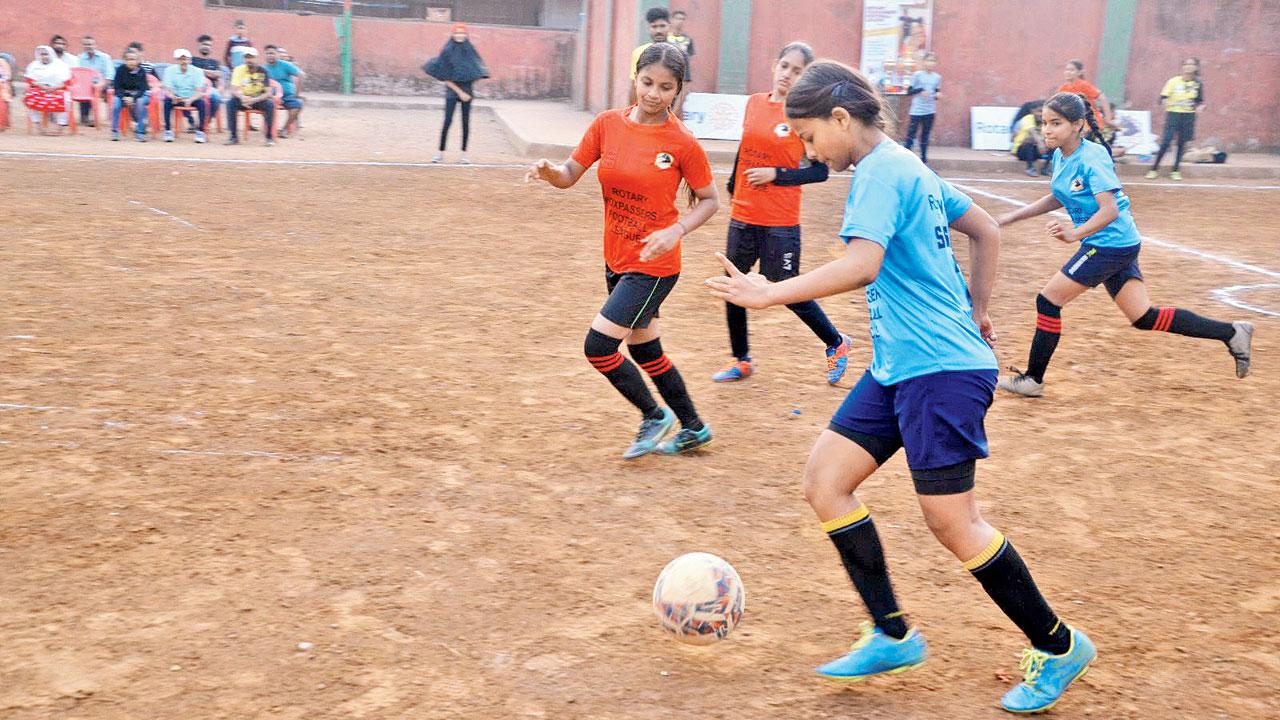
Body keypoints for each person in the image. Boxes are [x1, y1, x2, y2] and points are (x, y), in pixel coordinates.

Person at [706, 60, 1095, 716]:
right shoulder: (901, 167)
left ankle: (1058, 646)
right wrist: (976, 305)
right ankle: (891, 633)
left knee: (952, 520)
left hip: (939, 370)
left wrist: (770, 293)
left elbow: (864, 264)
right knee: (826, 481)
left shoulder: (882, 172)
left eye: (806, 137)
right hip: (900, 365)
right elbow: (986, 229)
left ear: (839, 119)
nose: (805, 151)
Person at [525, 43, 719, 458]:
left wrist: (677, 231)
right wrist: (549, 172)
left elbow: (709, 200)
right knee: (646, 349)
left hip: (654, 265)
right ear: (635, 78)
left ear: (678, 90)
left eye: (666, 87)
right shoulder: (606, 124)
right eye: (647, 82)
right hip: (616, 257)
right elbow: (569, 175)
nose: (654, 93)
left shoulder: (682, 142)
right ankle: (695, 428)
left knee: (598, 347)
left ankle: (654, 415)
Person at [995, 92, 1252, 398]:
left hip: (1109, 245)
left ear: (1078, 125)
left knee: (1048, 301)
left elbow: (1110, 210)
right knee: (1144, 317)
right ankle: (1232, 332)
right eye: (1044, 123)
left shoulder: (1091, 157)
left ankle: (1033, 379)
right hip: (1117, 243)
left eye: (1056, 123)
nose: (1047, 129)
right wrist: (1012, 217)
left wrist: (1075, 235)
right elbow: (1061, 195)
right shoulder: (1062, 154)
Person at [714, 41, 852, 385]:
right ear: (774, 65)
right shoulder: (754, 103)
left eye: (797, 71)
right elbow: (744, 149)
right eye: (785, 66)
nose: (788, 75)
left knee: (787, 290)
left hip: (780, 223)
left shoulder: (805, 118)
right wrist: (734, 184)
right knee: (735, 285)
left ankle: (836, 343)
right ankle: (741, 360)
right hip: (744, 214)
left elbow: (820, 172)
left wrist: (778, 175)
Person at [424, 24, 488, 164]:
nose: (460, 35)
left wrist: (468, 87)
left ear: (466, 35)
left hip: (467, 90)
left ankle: (464, 155)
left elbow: (477, 70)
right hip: (453, 90)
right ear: (453, 34)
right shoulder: (447, 51)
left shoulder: (470, 50)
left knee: (465, 123)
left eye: (462, 33)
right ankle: (439, 153)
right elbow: (445, 77)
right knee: (447, 121)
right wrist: (460, 92)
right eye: (457, 33)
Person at [1146, 58, 1203, 181]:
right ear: (1182, 67)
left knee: (1181, 143)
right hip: (1173, 114)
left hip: (1188, 116)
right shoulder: (1173, 81)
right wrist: (1166, 103)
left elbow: (1199, 101)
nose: (1189, 67)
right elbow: (1163, 97)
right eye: (1186, 64)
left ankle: (1175, 170)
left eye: (1192, 64)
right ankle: (1154, 169)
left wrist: (1200, 107)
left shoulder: (1198, 84)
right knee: (1166, 141)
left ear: (1196, 67)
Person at [225, 47, 275, 146]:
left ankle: (269, 137)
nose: (249, 60)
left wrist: (255, 99)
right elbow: (234, 89)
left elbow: (268, 93)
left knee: (270, 104)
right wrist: (242, 97)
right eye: (247, 57)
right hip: (243, 99)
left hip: (257, 99)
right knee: (230, 103)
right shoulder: (238, 70)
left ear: (256, 58)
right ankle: (233, 137)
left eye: (251, 57)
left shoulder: (263, 71)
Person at [162, 49, 209, 143]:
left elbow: (199, 92)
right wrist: (173, 97)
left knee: (202, 104)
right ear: (177, 60)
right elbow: (167, 90)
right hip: (177, 96)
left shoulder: (198, 71)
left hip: (192, 97)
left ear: (190, 60)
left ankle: (200, 132)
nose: (184, 62)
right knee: (167, 102)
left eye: (186, 59)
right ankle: (168, 130)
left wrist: (190, 100)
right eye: (181, 59)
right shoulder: (169, 71)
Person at [23, 45, 72, 133]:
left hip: (57, 90)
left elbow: (67, 82)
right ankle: (38, 127)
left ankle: (60, 128)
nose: (44, 57)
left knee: (66, 99)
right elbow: (29, 80)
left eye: (46, 54)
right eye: (42, 54)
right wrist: (41, 86)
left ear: (51, 54)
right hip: (40, 89)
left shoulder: (61, 65)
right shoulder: (34, 65)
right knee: (30, 98)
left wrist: (54, 88)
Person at [902, 52, 940, 164]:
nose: (930, 63)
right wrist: (920, 90)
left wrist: (938, 95)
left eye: (933, 61)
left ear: (936, 63)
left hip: (930, 111)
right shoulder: (917, 75)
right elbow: (909, 91)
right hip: (917, 111)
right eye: (928, 60)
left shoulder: (937, 77)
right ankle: (905, 158)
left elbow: (937, 91)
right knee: (911, 134)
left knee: (925, 135)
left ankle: (924, 159)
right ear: (924, 62)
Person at [629, 7, 670, 104]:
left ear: (669, 26)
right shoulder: (639, 52)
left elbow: (683, 87)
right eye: (654, 27)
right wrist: (631, 112)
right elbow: (634, 86)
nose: (658, 31)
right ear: (648, 28)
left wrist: (674, 113)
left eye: (662, 26)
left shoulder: (679, 53)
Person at [263, 45, 305, 138]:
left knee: (298, 105)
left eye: (273, 53)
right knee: (265, 105)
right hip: (271, 97)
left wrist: (297, 94)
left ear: (277, 54)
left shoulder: (285, 65)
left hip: (287, 95)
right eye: (268, 53)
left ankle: (284, 129)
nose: (270, 55)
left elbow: (301, 75)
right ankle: (269, 129)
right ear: (265, 55)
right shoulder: (263, 69)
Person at [111, 49, 150, 141]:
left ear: (137, 61)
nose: (131, 62)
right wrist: (123, 97)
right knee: (116, 103)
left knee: (140, 103)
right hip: (124, 96)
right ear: (124, 60)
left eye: (133, 59)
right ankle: (115, 131)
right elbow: (117, 87)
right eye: (128, 59)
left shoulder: (142, 71)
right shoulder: (120, 70)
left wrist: (133, 98)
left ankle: (140, 132)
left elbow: (143, 89)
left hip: (139, 96)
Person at [77, 36, 112, 127]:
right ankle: (85, 117)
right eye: (86, 44)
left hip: (103, 84)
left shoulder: (105, 57)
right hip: (86, 85)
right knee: (84, 90)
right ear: (83, 46)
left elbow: (109, 76)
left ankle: (94, 117)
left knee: (94, 89)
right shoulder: (80, 58)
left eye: (90, 44)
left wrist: (101, 85)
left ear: (95, 45)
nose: (88, 46)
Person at [191, 35, 224, 130]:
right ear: (198, 45)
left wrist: (199, 71)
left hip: (210, 90)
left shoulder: (215, 62)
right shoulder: (192, 60)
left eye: (209, 45)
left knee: (216, 97)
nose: (207, 47)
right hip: (194, 89)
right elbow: (190, 73)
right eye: (204, 44)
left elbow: (218, 75)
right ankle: (191, 121)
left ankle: (205, 123)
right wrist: (209, 73)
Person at [1009, 100, 1049, 176]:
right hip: (1021, 152)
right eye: (1039, 111)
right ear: (1032, 111)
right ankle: (1030, 168)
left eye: (1043, 112)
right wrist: (1041, 142)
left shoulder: (1045, 121)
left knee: (1055, 142)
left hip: (1037, 151)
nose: (1041, 114)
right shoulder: (1027, 118)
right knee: (1029, 139)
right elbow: (1032, 132)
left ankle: (1045, 168)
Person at [668, 9, 694, 113]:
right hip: (668, 74)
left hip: (682, 77)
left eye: (682, 19)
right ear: (672, 20)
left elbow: (689, 60)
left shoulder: (688, 40)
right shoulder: (666, 37)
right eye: (678, 18)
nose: (680, 21)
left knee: (678, 107)